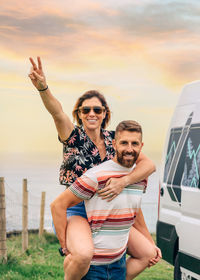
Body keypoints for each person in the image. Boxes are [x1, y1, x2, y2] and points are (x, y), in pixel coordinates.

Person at [28, 57, 161, 280]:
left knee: (148, 253)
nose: (92, 113)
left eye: (97, 109)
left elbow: (148, 165)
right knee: (83, 254)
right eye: (86, 109)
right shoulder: (73, 136)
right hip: (78, 209)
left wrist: (123, 182)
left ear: (104, 113)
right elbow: (57, 111)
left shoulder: (116, 140)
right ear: (79, 113)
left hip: (109, 209)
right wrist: (43, 88)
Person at [51, 120, 158, 280]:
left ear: (141, 146)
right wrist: (66, 248)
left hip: (118, 266)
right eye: (124, 143)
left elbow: (132, 212)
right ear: (114, 144)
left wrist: (150, 243)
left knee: (147, 253)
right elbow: (58, 205)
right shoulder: (96, 176)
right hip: (93, 268)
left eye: (134, 143)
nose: (129, 149)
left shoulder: (140, 178)